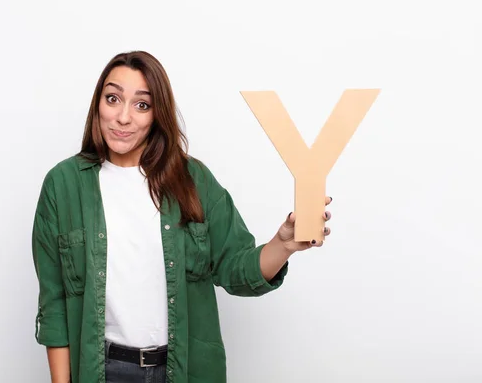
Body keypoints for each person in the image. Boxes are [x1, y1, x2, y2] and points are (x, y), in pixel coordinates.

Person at [31, 50, 332, 383]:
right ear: (97, 104)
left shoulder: (193, 180)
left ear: (157, 114)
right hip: (102, 370)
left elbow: (236, 269)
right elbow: (55, 302)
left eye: (141, 105)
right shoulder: (63, 185)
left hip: (183, 370)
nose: (124, 117)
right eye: (113, 98)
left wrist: (283, 244)